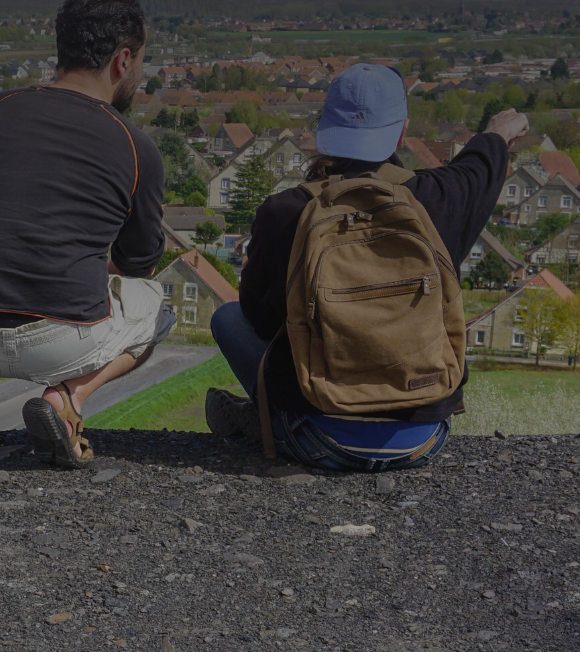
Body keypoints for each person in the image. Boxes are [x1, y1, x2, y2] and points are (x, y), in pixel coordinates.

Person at [206, 63, 528, 472]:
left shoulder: (285, 211)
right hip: (422, 439)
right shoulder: (442, 198)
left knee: (229, 318)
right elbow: (479, 164)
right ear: (402, 129)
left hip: (318, 437)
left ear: (326, 129)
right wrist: (497, 133)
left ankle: (268, 418)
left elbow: (260, 317)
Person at [0, 0, 169, 468]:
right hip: (65, 341)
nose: (140, 75)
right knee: (158, 306)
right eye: (142, 62)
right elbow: (139, 263)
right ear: (123, 60)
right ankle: (67, 400)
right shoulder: (135, 145)